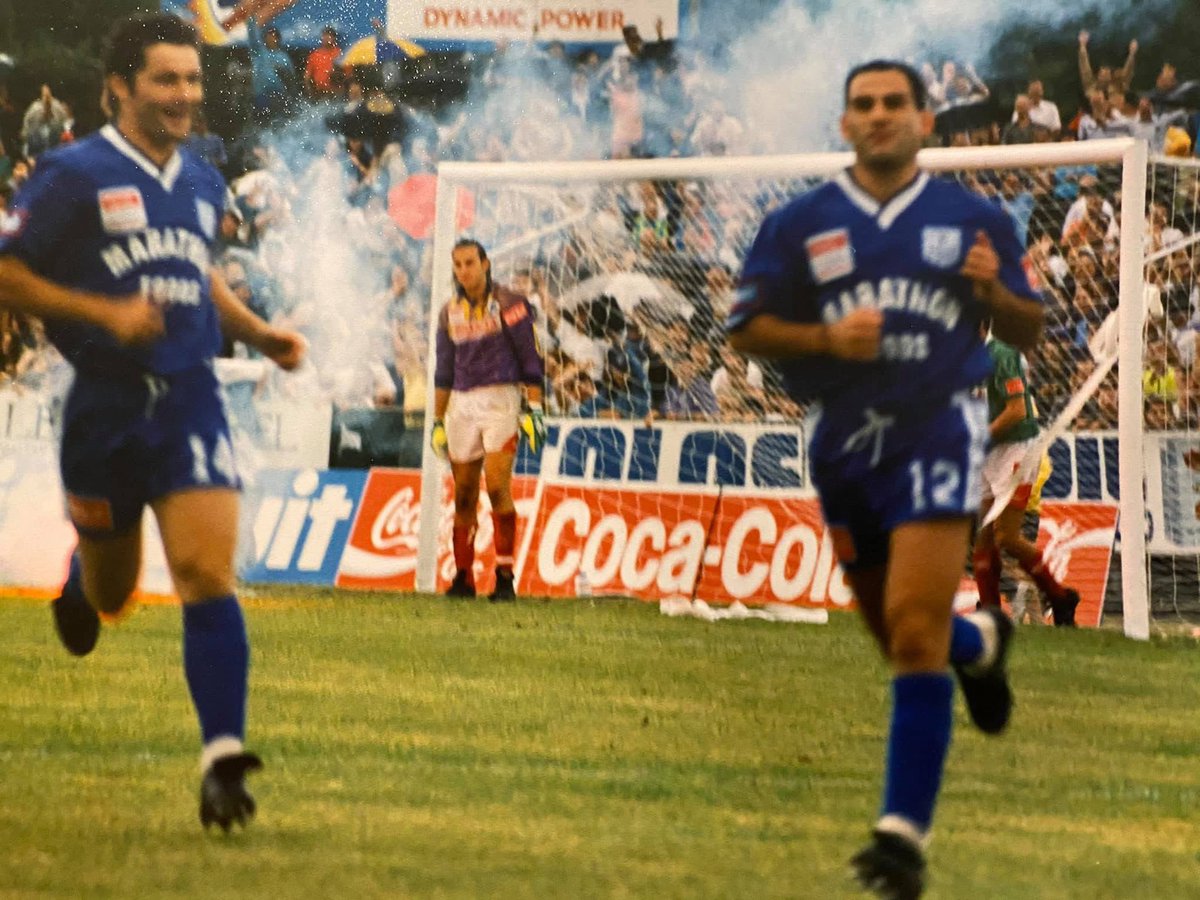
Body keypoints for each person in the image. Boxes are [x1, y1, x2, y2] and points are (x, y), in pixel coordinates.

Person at [727, 60, 1044, 899]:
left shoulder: (973, 217)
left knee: (911, 632)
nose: (877, 116)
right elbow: (746, 328)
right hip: (842, 444)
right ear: (845, 124)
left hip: (940, 426)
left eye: (893, 103)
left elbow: (1030, 324)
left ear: (924, 120)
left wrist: (993, 295)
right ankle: (979, 641)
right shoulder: (800, 222)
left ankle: (901, 840)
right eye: (862, 105)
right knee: (901, 635)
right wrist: (827, 342)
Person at [0, 14, 306, 832]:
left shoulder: (204, 180)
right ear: (121, 87)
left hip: (190, 396)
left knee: (208, 574)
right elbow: (8, 274)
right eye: (167, 79)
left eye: (193, 79)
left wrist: (259, 332)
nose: (185, 96)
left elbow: (194, 276)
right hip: (101, 407)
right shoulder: (72, 174)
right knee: (114, 594)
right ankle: (77, 579)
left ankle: (222, 760)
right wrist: (100, 311)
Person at [430, 239, 545, 601]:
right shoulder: (449, 312)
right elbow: (443, 370)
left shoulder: (510, 305)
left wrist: (536, 409)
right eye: (458, 265)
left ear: (485, 263)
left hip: (501, 399)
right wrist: (437, 419)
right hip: (461, 403)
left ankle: (505, 577)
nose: (463, 271)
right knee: (463, 494)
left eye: (469, 263)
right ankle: (463, 577)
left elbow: (531, 358)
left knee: (497, 487)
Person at [975, 327, 1079, 627]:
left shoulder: (1002, 355)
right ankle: (991, 615)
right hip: (991, 452)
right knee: (982, 536)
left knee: (1006, 536)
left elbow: (1018, 410)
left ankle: (1060, 597)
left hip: (1016, 451)